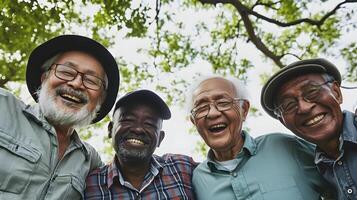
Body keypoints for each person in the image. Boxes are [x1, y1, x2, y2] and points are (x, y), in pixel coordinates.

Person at [0, 35, 120, 199]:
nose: (76, 83)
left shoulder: (90, 161)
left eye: (91, 80)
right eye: (66, 71)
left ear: (99, 100)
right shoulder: (3, 106)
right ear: (44, 79)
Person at [189, 75, 334, 200]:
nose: (213, 113)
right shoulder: (196, 179)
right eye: (201, 108)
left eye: (223, 103)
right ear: (194, 121)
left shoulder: (284, 146)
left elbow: (342, 179)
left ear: (244, 110)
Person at [261, 58, 357, 200]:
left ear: (336, 93)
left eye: (312, 91)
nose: (304, 108)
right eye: (288, 105)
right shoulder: (315, 172)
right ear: (283, 121)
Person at [84, 89, 198, 200]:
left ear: (160, 138)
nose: (138, 129)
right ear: (110, 129)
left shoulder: (183, 168)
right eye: (128, 119)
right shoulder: (87, 185)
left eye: (149, 124)